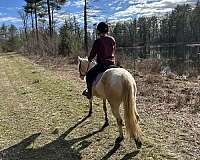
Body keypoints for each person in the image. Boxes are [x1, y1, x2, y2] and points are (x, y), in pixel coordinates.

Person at [82, 22, 116, 99]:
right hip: (112, 64)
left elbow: (93, 53)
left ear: (99, 31)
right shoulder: (112, 39)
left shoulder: (98, 41)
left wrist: (90, 58)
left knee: (89, 75)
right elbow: (113, 51)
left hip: (102, 65)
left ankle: (89, 93)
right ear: (107, 31)